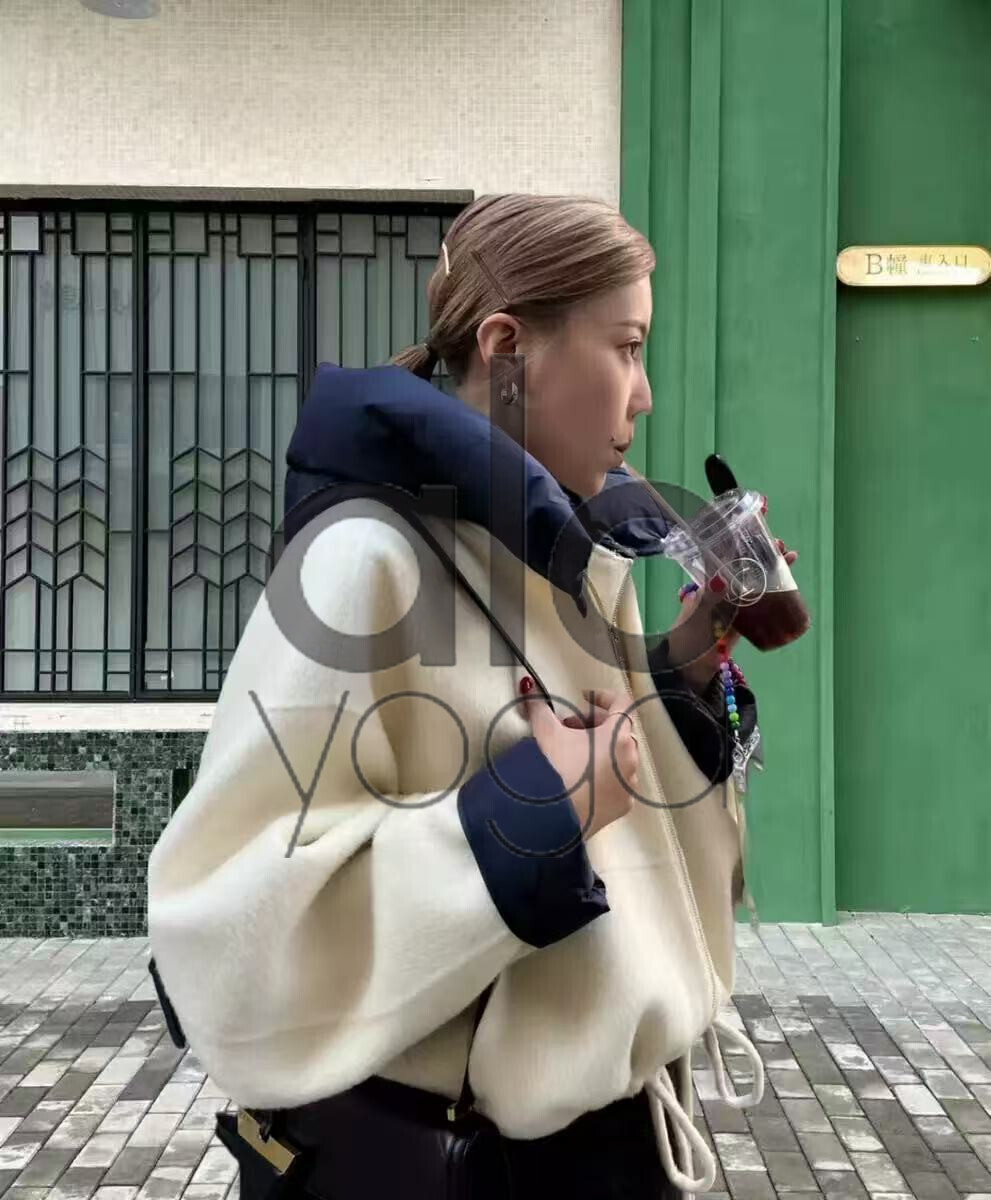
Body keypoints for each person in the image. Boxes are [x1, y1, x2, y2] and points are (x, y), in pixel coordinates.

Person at [147, 193, 795, 1198]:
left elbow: (618, 798)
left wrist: (687, 664)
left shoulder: (577, 553)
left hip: (621, 1144)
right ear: (506, 348)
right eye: (626, 348)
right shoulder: (364, 562)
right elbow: (227, 935)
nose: (644, 394)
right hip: (469, 1169)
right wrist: (537, 813)